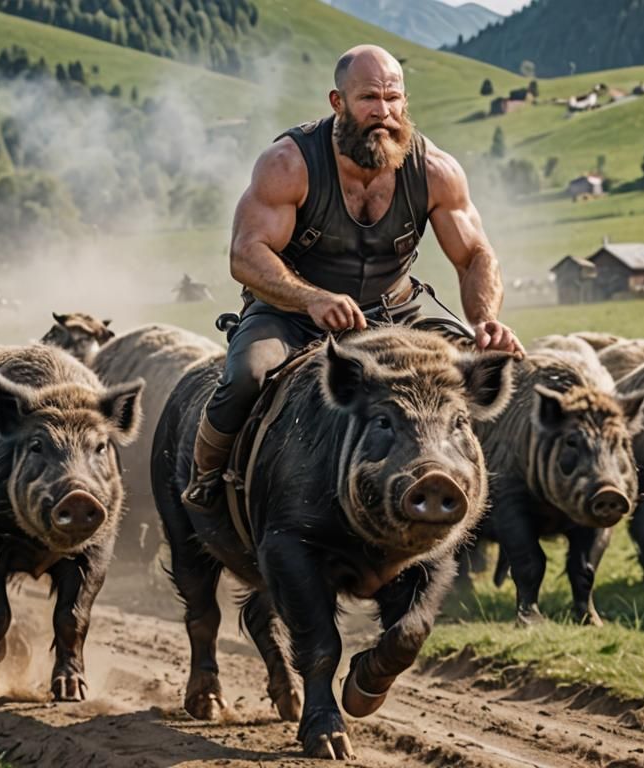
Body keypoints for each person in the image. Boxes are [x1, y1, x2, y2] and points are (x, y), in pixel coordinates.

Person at [181, 44, 525, 513]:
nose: (383, 112)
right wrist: (310, 298)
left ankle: (467, 498)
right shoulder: (289, 163)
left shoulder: (435, 170)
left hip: (397, 314)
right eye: (369, 99)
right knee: (247, 374)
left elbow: (475, 256)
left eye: (393, 99)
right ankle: (206, 480)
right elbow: (246, 254)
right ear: (337, 102)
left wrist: (486, 320)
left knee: (482, 374)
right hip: (293, 314)